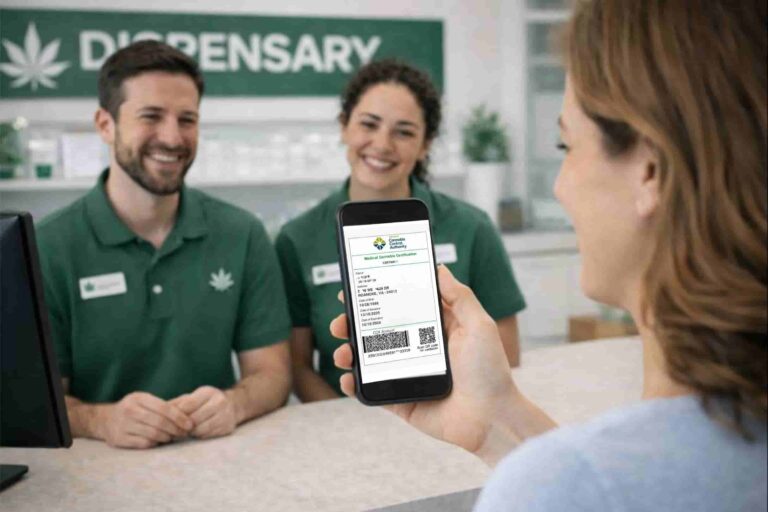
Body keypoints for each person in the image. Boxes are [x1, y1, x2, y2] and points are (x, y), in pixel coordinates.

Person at [331, 0, 767, 510]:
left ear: (651, 172)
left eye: (567, 147)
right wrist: (496, 418)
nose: (559, 187)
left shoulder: (561, 489)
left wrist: (545, 477)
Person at [36, 41, 292, 449]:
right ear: (105, 125)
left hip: (219, 462)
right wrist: (101, 421)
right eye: (151, 117)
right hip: (94, 477)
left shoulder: (241, 233)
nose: (172, 138)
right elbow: (35, 402)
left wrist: (234, 404)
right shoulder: (47, 246)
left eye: (187, 119)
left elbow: (273, 374)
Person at [276, 60, 526, 402]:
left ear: (425, 145)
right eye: (369, 124)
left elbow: (507, 356)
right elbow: (298, 366)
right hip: (345, 425)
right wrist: (351, 427)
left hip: (455, 420)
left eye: (404, 131)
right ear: (344, 127)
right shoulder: (297, 240)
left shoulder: (472, 229)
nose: (382, 144)